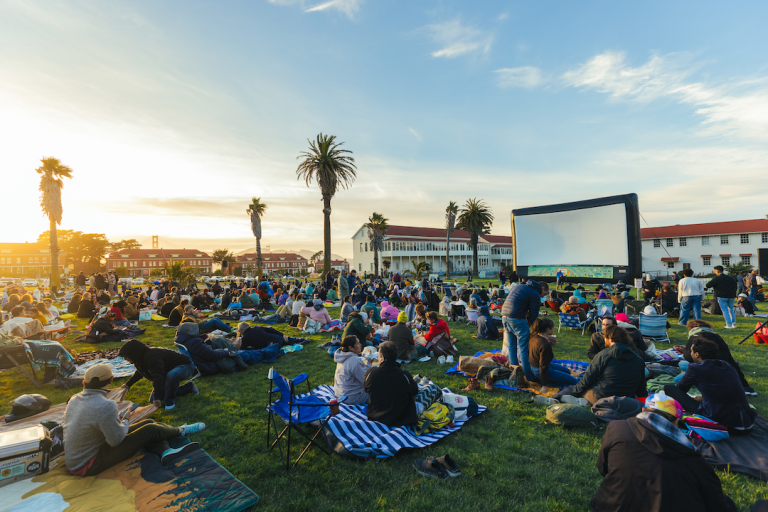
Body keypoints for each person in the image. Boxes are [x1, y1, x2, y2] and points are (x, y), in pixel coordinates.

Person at [590, 391, 738, 512]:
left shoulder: (617, 428)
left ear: (643, 410)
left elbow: (603, 468)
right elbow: (715, 502)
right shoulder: (694, 459)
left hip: (609, 506)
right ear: (676, 421)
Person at [63, 364, 206, 476]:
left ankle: (165, 452)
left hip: (79, 457)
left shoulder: (74, 399)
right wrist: (125, 420)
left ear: (84, 383)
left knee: (148, 423)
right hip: (88, 464)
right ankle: (181, 430)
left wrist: (118, 422)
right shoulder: (105, 405)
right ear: (111, 380)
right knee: (149, 429)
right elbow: (115, 440)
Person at [664, 338, 757, 432]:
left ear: (697, 354)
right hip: (747, 421)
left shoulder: (696, 368)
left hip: (721, 421)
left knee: (669, 388)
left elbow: (681, 389)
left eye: (691, 351)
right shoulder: (727, 365)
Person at [563, 325, 646, 405]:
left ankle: (556, 398)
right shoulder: (638, 360)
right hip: (626, 399)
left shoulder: (603, 355)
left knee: (572, 388)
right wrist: (644, 402)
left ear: (610, 339)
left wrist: (574, 393)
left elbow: (588, 379)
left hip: (602, 397)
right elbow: (641, 387)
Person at [119, 339, 199, 411]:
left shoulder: (152, 356)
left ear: (133, 353)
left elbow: (158, 375)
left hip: (185, 366)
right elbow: (140, 373)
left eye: (126, 357)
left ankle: (170, 404)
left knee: (171, 376)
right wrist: (127, 385)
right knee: (153, 400)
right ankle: (188, 388)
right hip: (168, 370)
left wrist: (156, 396)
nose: (127, 360)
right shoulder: (139, 360)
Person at [680, 320, 755, 395]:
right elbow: (731, 361)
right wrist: (745, 385)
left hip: (706, 371)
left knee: (680, 371)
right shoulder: (717, 338)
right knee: (682, 364)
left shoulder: (694, 338)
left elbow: (688, 357)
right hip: (721, 368)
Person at [500, 280, 548, 381]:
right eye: (544, 294)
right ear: (542, 289)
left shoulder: (519, 287)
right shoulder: (535, 293)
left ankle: (515, 373)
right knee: (524, 349)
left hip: (504, 316)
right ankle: (529, 376)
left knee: (512, 347)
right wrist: (537, 330)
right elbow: (533, 315)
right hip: (517, 319)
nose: (543, 296)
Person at [363, 341, 419, 426]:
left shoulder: (370, 373)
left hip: (375, 416)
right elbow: (414, 390)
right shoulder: (404, 376)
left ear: (382, 358)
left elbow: (365, 389)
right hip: (400, 418)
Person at [528, 318, 578, 393]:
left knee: (568, 371)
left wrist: (548, 340)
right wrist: (544, 386)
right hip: (541, 370)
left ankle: (552, 381)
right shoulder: (545, 345)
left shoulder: (534, 337)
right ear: (548, 329)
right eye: (553, 328)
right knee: (575, 382)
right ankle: (550, 382)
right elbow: (543, 366)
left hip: (535, 367)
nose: (554, 330)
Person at [333, 335, 370, 406]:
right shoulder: (354, 361)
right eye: (358, 343)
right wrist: (369, 364)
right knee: (380, 390)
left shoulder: (342, 355)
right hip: (351, 398)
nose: (360, 345)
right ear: (350, 348)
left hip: (339, 393)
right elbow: (366, 380)